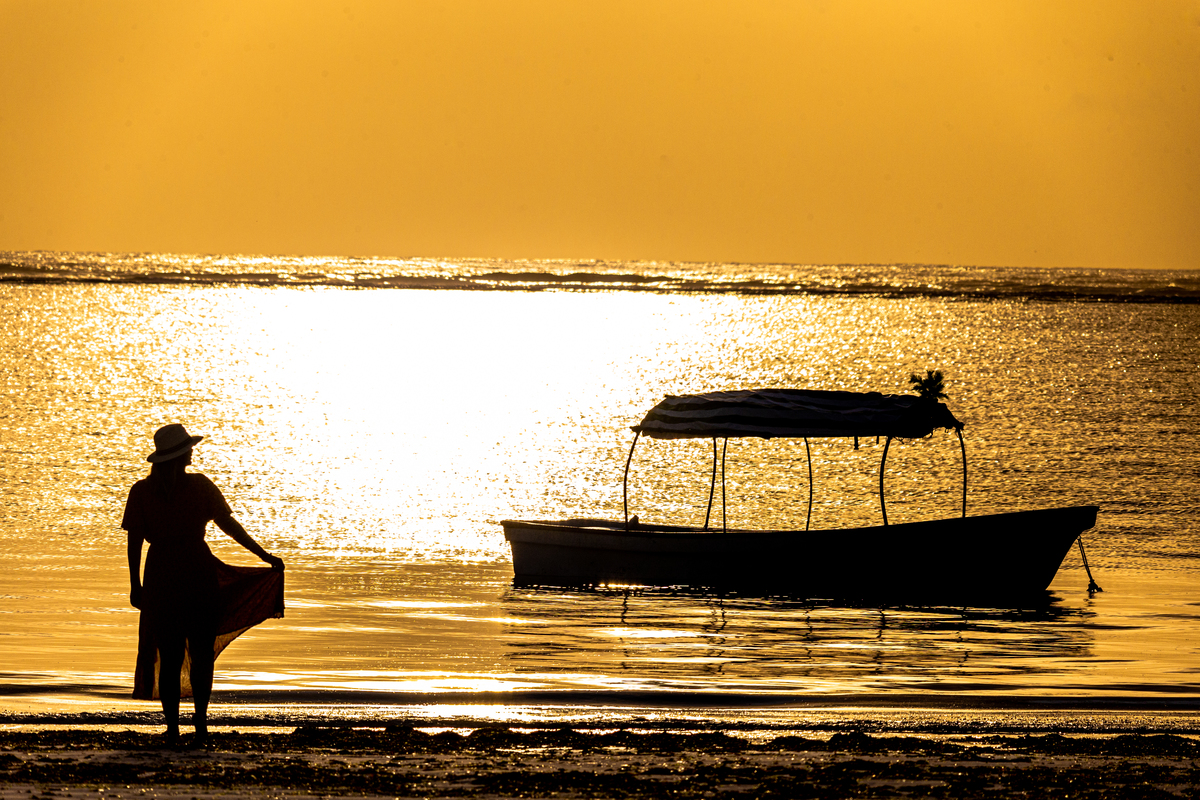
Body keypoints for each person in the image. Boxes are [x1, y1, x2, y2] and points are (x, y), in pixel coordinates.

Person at [123, 423, 284, 747]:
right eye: (189, 449)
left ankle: (173, 729)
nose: (193, 453)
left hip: (161, 574)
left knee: (169, 655)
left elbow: (135, 541)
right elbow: (229, 525)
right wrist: (264, 555)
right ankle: (200, 724)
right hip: (196, 570)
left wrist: (135, 584)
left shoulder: (142, 491)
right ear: (181, 455)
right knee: (200, 652)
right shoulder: (199, 486)